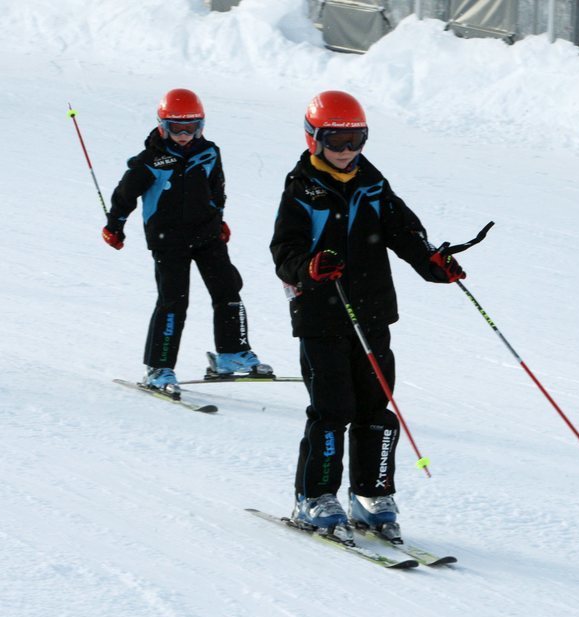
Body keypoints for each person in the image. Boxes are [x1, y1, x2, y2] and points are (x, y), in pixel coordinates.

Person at [270, 90, 466, 542]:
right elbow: (285, 251)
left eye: (356, 139)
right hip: (321, 316)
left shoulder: (373, 184)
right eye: (336, 140)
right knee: (332, 409)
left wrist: (434, 263)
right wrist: (311, 268)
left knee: (375, 408)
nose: (346, 151)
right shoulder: (302, 188)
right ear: (314, 140)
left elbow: (406, 233)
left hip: (373, 313)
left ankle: (371, 495)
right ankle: (314, 497)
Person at [103, 88, 272, 398]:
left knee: (228, 288)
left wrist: (219, 219)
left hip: (207, 235)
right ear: (161, 126)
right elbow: (125, 194)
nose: (183, 135)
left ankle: (231, 354)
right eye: (175, 128)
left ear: (201, 126)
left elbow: (217, 188)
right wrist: (116, 225)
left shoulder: (209, 152)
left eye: (190, 128)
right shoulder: (151, 160)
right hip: (169, 241)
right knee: (173, 301)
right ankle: (159, 367)